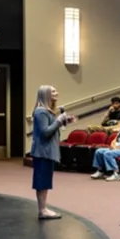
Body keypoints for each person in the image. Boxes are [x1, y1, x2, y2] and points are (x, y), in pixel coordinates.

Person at [30, 85, 77, 219]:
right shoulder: (41, 112)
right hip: (42, 151)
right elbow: (46, 132)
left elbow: (52, 127)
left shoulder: (48, 111)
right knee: (42, 180)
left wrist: (64, 121)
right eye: (53, 91)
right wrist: (59, 120)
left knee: (45, 180)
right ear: (45, 94)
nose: (56, 93)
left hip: (47, 151)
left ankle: (43, 208)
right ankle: (42, 210)